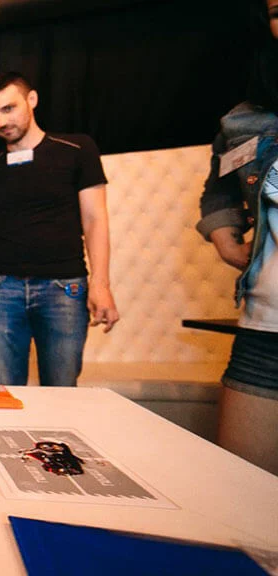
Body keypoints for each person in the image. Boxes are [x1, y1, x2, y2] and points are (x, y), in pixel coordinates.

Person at [0, 72, 119, 387]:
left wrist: (101, 284)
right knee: (5, 392)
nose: (1, 122)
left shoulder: (77, 149)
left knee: (61, 392)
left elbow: (95, 220)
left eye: (9, 109)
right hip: (2, 290)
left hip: (63, 287)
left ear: (31, 100)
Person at [195, 0, 278, 475]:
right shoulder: (245, 121)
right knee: (242, 491)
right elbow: (221, 187)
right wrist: (224, 235)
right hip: (265, 329)